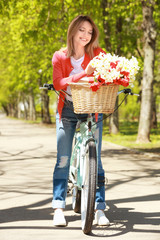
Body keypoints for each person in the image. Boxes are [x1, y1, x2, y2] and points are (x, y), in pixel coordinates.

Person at [52, 15, 110, 227]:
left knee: (98, 161)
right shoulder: (60, 56)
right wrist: (82, 75)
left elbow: (108, 76)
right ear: (73, 31)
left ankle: (99, 208)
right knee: (63, 160)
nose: (86, 35)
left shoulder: (98, 54)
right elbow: (58, 83)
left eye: (90, 32)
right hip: (67, 110)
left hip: (93, 109)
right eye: (82, 30)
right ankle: (58, 207)